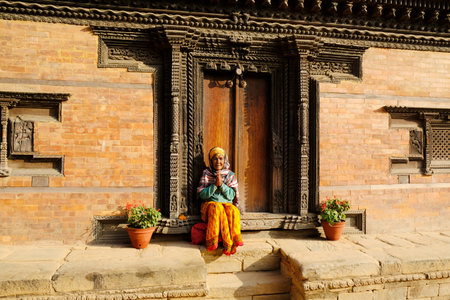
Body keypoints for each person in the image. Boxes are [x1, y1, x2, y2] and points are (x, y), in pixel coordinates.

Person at [197, 147, 244, 255]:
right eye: (215, 159)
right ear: (211, 161)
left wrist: (222, 185)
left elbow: (232, 196)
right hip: (210, 205)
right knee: (217, 208)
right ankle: (212, 241)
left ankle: (232, 241)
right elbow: (202, 195)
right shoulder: (206, 173)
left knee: (233, 211)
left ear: (225, 160)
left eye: (221, 159)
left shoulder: (230, 175)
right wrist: (214, 185)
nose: (218, 162)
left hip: (226, 204)